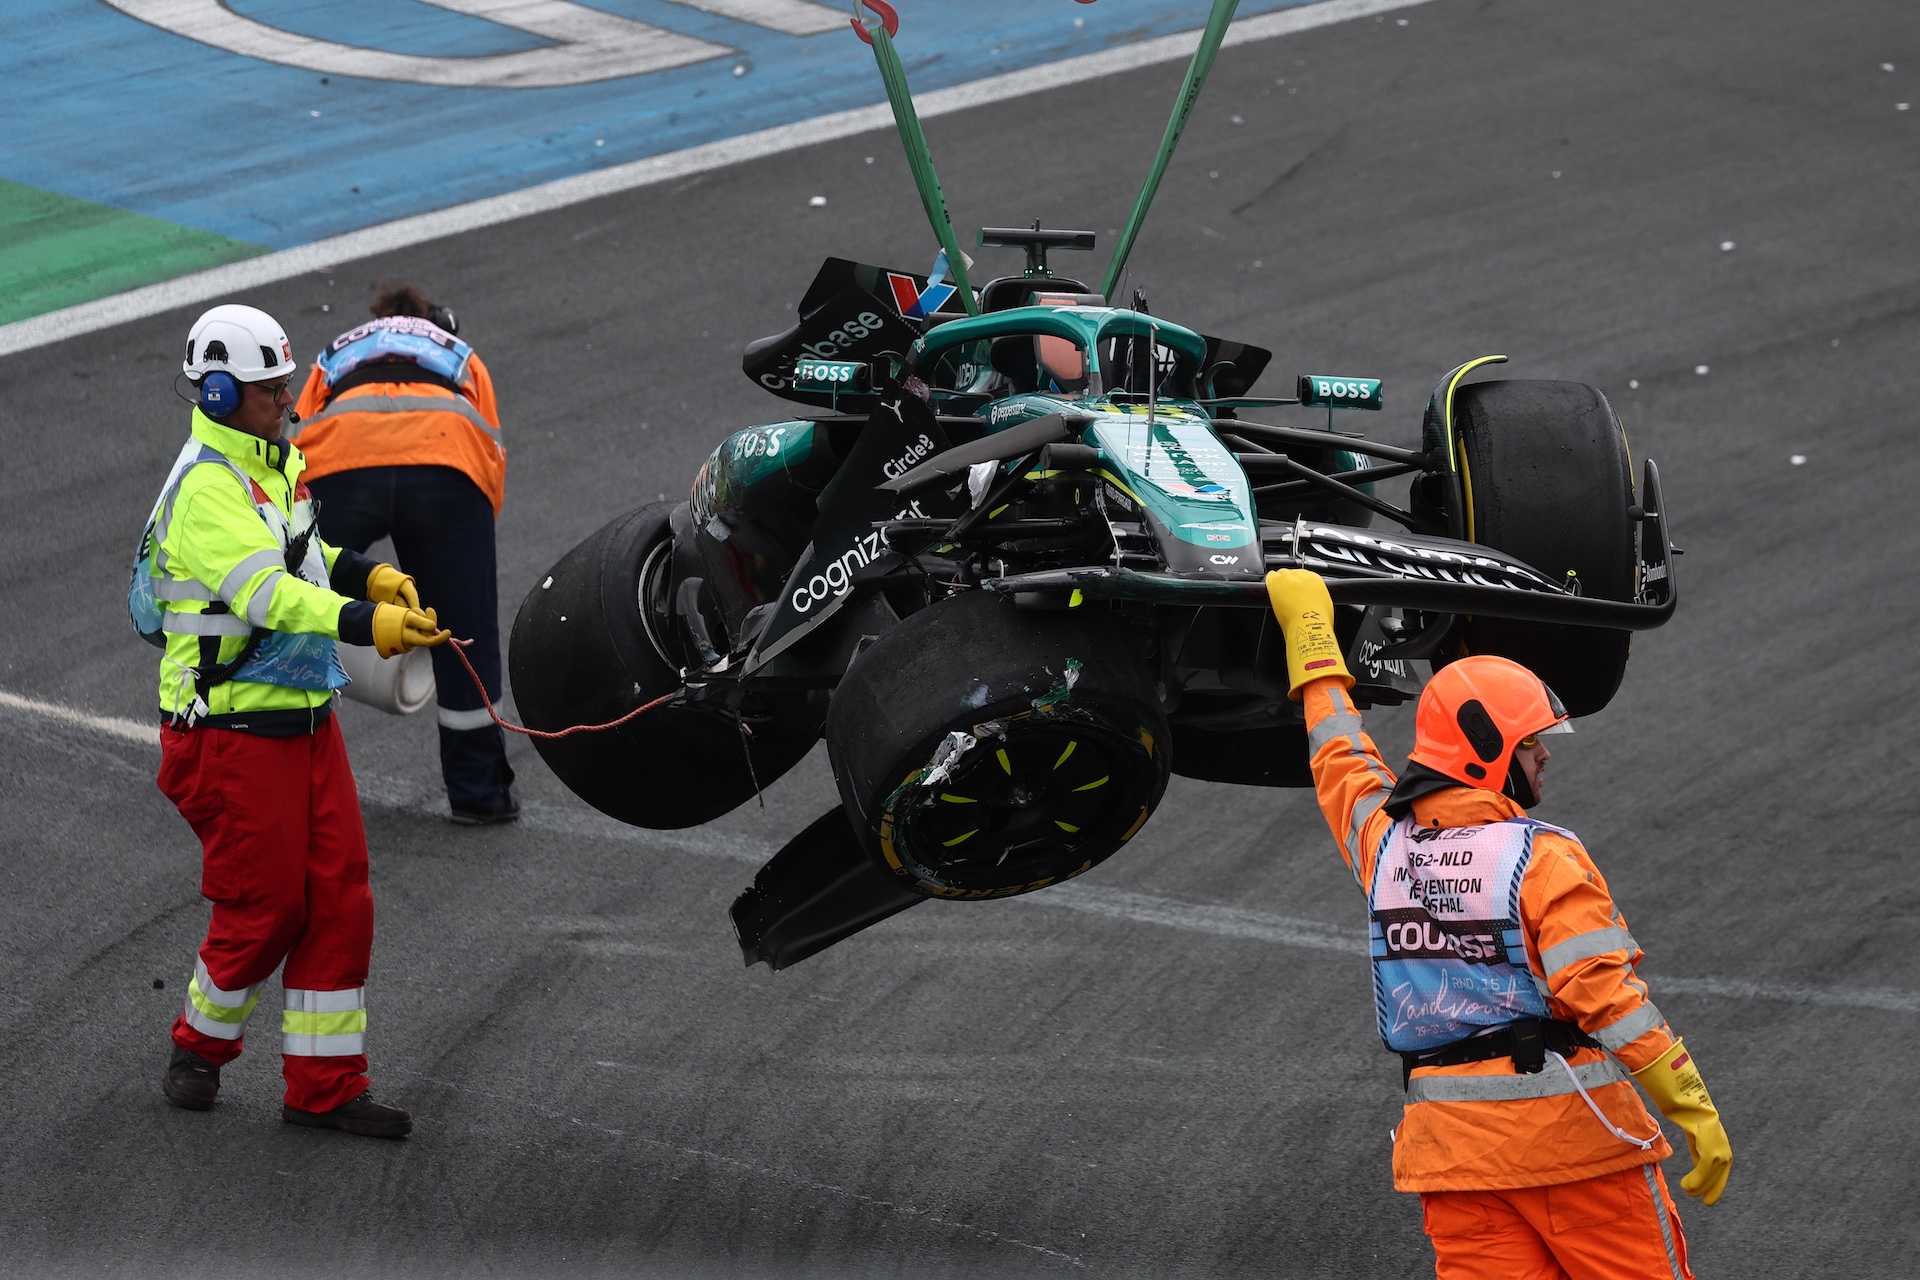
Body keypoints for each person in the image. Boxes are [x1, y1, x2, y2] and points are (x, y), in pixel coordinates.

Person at [1263, 570, 1732, 1279]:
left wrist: (1312, 640)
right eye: (1533, 741)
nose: (1546, 754)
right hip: (1578, 1153)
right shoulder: (1542, 859)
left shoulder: (1384, 846)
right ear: (1486, 749)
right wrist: (1691, 1104)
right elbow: (1605, 998)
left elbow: (1339, 755)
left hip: (1454, 1161)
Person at [138, 303, 449, 1137]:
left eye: (285, 383)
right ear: (217, 393)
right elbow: (266, 595)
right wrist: (367, 622)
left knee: (341, 899)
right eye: (270, 388)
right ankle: (197, 1050)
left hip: (303, 721)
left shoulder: (274, 463)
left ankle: (327, 1087)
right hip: (229, 733)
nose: (287, 398)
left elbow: (304, 558)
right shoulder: (206, 489)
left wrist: (367, 575)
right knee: (267, 905)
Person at [292, 283, 517, 825]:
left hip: (343, 465)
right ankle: (479, 794)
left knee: (290, 605)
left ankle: (284, 781)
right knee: (466, 635)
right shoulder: (459, 353)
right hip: (445, 464)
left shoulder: (337, 350)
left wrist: (300, 552)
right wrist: (462, 554)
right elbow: (490, 450)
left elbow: (295, 441)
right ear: (437, 321)